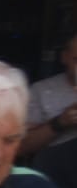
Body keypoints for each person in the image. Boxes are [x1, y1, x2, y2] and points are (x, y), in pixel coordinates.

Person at [22, 30, 77, 161]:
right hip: (55, 173)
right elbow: (23, 146)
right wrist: (61, 121)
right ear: (65, 57)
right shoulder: (41, 90)